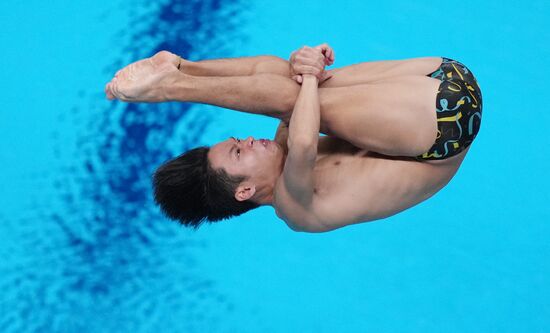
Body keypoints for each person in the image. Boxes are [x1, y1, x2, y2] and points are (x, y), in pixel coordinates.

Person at [105, 44, 482, 232]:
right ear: (244, 192)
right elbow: (302, 141)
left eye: (239, 140)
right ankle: (173, 86)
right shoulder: (294, 208)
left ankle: (184, 67)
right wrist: (312, 75)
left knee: (288, 79)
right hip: (446, 122)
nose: (250, 140)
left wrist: (306, 61)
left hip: (442, 82)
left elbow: (273, 78)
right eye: (239, 151)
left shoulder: (281, 157)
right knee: (292, 95)